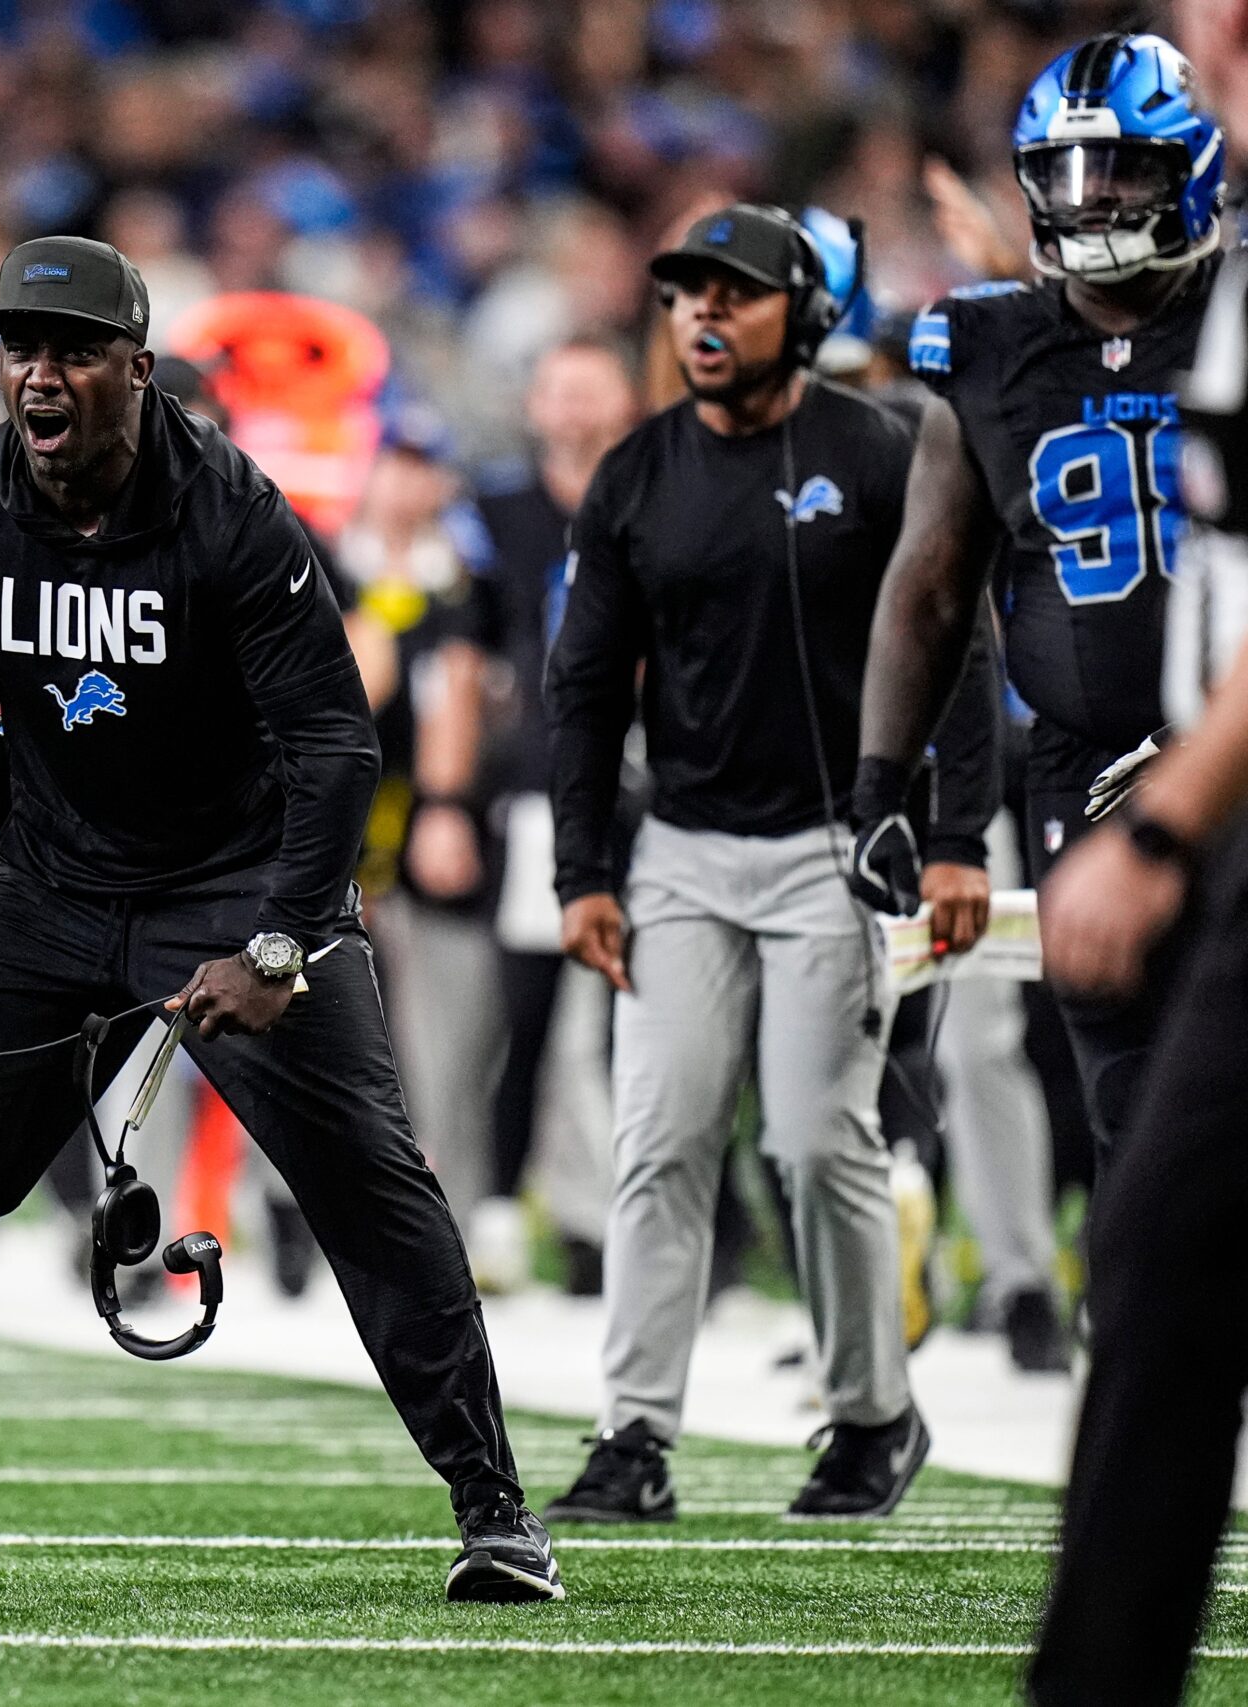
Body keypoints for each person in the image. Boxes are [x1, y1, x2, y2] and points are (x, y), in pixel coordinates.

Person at [0, 234, 562, 1604]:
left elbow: (335, 745)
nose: (39, 374)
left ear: (138, 369)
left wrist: (277, 941)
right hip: (50, 884)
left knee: (372, 1183)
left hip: (235, 877)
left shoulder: (231, 512)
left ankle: (496, 1508)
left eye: (72, 349)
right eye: (18, 348)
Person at [542, 204, 995, 1526]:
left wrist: (958, 836)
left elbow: (959, 646)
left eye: (732, 294)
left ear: (800, 312)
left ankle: (872, 1413)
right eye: (685, 294)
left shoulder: (882, 444)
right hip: (681, 849)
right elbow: (580, 685)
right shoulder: (636, 469)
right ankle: (632, 1434)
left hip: (831, 852)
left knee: (814, 1139)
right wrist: (585, 868)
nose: (702, 316)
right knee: (660, 1140)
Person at [849, 33, 1224, 1169]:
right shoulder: (987, 342)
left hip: (1227, 754)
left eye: (1118, 170)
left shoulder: (1231, 317)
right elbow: (928, 586)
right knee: (1125, 1101)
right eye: (1064, 175)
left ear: (1193, 170)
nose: (1090, 199)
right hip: (1079, 768)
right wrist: (883, 782)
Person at [1027, 8, 1248, 1693]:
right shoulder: (1005, 347)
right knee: (1158, 1255)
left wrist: (1167, 815)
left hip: (1204, 826)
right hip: (1186, 829)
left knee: (1166, 1259)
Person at [440, 337, 643, 1294]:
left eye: (587, 382)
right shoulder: (499, 511)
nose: (569, 403)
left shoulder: (662, 484)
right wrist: (448, 796)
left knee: (636, 1022)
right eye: (554, 384)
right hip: (545, 786)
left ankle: (633, 1225)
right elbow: (465, 663)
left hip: (664, 786)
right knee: (529, 1011)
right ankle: (502, 1212)